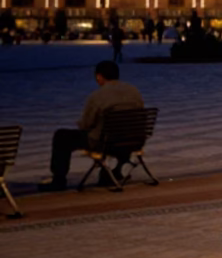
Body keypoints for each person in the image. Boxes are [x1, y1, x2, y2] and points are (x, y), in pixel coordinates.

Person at [38, 61, 144, 192]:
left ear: (99, 76)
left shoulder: (98, 96)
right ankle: (115, 171)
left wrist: (81, 123)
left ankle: (59, 180)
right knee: (111, 131)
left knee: (61, 136)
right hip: (133, 141)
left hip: (107, 143)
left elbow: (86, 125)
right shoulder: (134, 91)